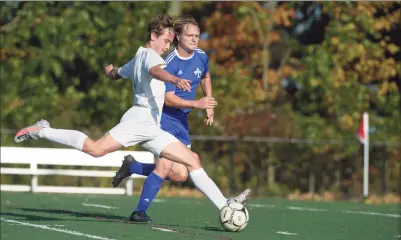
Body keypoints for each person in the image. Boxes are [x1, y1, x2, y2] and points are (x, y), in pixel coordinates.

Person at [14, 14, 250, 223]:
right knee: (96, 149)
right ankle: (43, 129)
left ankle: (225, 206)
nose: (167, 46)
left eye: (170, 42)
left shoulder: (138, 56)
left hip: (153, 127)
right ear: (153, 36)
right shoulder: (150, 56)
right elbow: (156, 70)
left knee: (192, 160)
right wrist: (174, 80)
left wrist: (111, 72)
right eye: (166, 41)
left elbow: (120, 73)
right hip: (138, 121)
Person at [110, 15, 250, 223]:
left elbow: (205, 76)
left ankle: (133, 167)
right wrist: (197, 104)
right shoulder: (168, 62)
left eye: (197, 36)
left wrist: (208, 102)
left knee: (181, 174)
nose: (195, 39)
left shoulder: (201, 56)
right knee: (166, 166)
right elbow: (168, 99)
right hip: (163, 119)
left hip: (182, 123)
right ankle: (138, 212)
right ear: (178, 37)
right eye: (190, 36)